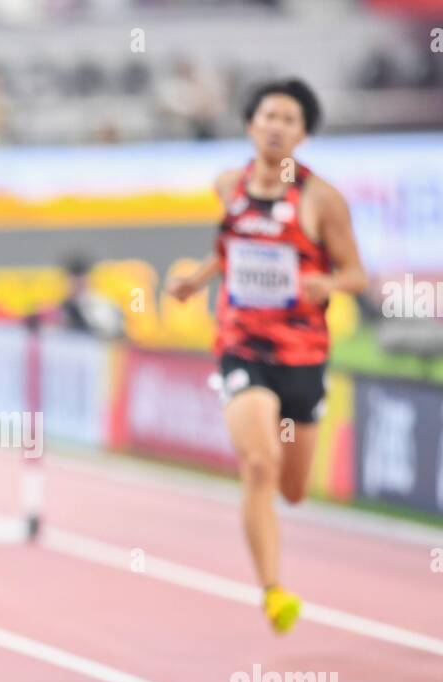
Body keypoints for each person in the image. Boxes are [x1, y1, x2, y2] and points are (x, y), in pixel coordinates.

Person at [168, 78, 366, 634]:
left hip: (302, 353)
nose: (277, 126)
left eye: (290, 119)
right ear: (251, 124)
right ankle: (274, 591)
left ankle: (277, 550)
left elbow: (356, 272)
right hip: (241, 345)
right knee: (259, 463)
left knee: (294, 489)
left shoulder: (322, 200)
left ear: (303, 133)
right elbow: (230, 247)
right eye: (268, 116)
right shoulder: (228, 185)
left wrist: (325, 284)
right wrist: (195, 281)